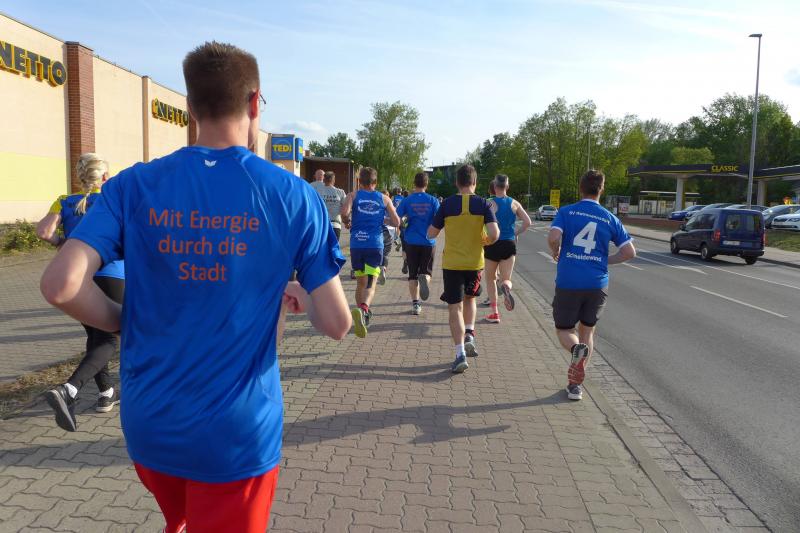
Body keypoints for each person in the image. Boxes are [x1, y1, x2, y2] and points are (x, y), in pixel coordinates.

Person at [40, 41, 352, 533]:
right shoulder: (292, 194)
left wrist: (124, 320)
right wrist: (302, 294)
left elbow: (60, 285)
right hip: (236, 435)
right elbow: (336, 324)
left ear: (190, 107)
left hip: (151, 424)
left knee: (180, 520)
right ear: (254, 103)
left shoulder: (132, 185)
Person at [36, 153, 125, 431]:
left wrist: (62, 243)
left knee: (95, 338)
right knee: (108, 340)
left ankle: (106, 393)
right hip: (112, 276)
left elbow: (43, 232)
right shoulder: (112, 198)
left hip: (79, 280)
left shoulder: (64, 201)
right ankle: (69, 390)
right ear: (105, 176)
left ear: (80, 176)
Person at [547, 169, 636, 401]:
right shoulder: (610, 218)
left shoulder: (566, 211)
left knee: (565, 329)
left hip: (569, 280)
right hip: (597, 284)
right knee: (588, 331)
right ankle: (575, 386)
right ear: (601, 189)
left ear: (581, 188)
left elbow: (553, 237)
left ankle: (574, 350)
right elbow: (629, 252)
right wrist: (606, 260)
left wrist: (556, 250)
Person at [428, 165, 499, 373]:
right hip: (475, 263)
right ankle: (469, 333)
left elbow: (432, 233)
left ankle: (460, 354)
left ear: (457, 183)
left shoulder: (447, 204)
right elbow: (495, 233)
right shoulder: (484, 204)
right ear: (475, 182)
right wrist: (485, 241)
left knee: (454, 308)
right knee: (471, 299)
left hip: (452, 264)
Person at [341, 167, 400, 338]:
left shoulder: (353, 195)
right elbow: (396, 221)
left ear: (359, 181)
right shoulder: (384, 198)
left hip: (357, 245)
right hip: (375, 245)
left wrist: (347, 221)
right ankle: (364, 309)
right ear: (375, 182)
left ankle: (361, 314)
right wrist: (382, 218)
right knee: (371, 283)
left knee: (360, 282)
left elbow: (344, 213)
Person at [484, 174, 531, 323]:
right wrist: (516, 233)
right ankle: (506, 287)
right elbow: (528, 222)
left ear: (494, 186)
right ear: (507, 187)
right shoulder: (514, 203)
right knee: (506, 279)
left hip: (492, 243)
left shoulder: (488, 203)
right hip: (509, 243)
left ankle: (494, 313)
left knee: (490, 279)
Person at [397, 172, 440, 315]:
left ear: (414, 183)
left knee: (412, 275)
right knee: (426, 272)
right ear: (427, 184)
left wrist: (403, 222)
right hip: (428, 241)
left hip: (411, 241)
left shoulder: (407, 200)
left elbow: (397, 218)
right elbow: (439, 220)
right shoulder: (433, 201)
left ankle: (415, 304)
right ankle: (425, 279)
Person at [312, 170, 347, 240]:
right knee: (334, 246)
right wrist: (346, 221)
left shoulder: (317, 192)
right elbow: (345, 209)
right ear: (334, 180)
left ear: (324, 180)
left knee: (322, 246)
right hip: (335, 225)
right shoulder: (340, 192)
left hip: (321, 225)